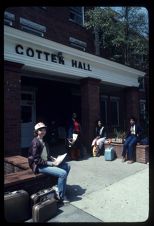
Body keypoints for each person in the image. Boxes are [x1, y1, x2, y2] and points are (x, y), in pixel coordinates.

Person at [28, 122, 71, 204]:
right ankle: (61, 196)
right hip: (39, 166)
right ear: (36, 131)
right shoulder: (35, 142)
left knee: (67, 166)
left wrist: (52, 158)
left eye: (44, 130)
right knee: (63, 173)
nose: (43, 131)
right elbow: (36, 159)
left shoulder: (43, 141)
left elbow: (45, 154)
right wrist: (51, 163)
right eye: (40, 130)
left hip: (45, 162)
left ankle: (58, 187)